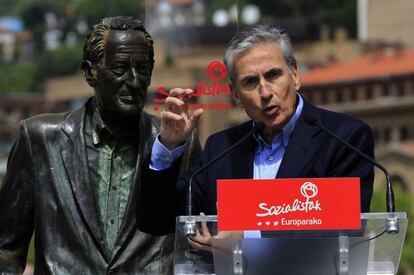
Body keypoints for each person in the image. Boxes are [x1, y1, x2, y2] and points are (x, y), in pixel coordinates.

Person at [0, 16, 200, 274]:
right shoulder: (40, 139)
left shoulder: (177, 143)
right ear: (89, 72)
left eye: (143, 69)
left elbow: (199, 243)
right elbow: (6, 248)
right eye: (119, 68)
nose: (134, 80)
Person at [152, 25, 375, 247]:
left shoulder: (343, 138)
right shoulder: (220, 148)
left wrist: (246, 239)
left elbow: (342, 231)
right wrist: (168, 147)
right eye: (250, 82)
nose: (265, 93)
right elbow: (160, 221)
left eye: (273, 75)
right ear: (236, 95)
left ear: (295, 75)